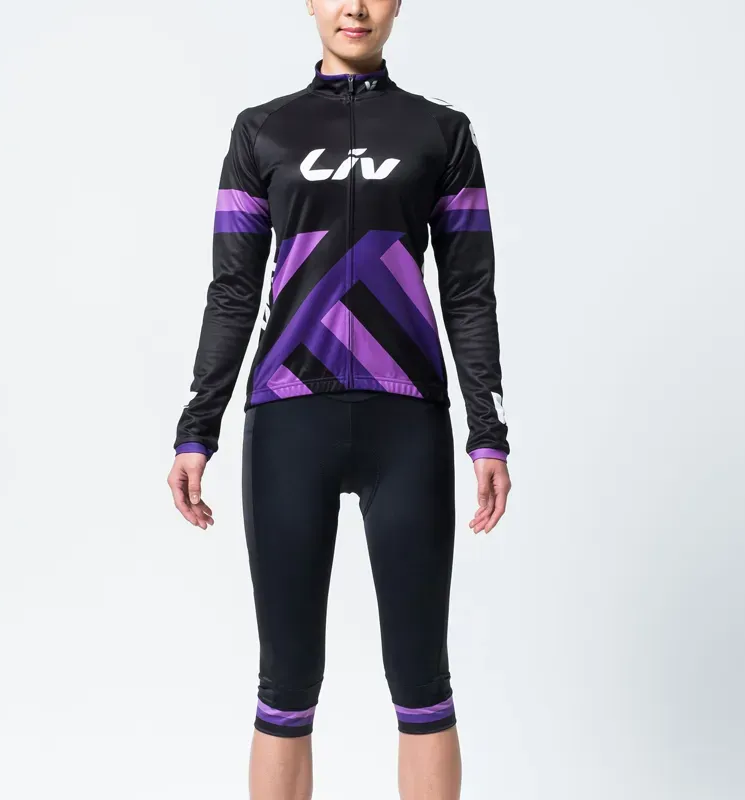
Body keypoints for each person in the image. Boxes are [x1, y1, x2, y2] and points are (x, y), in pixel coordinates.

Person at [167, 1, 512, 797]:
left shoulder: (441, 134)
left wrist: (487, 432)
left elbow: (469, 292)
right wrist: (197, 429)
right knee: (285, 686)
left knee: (422, 680)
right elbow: (232, 290)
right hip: (290, 417)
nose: (354, 6)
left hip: (407, 421)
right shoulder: (263, 131)